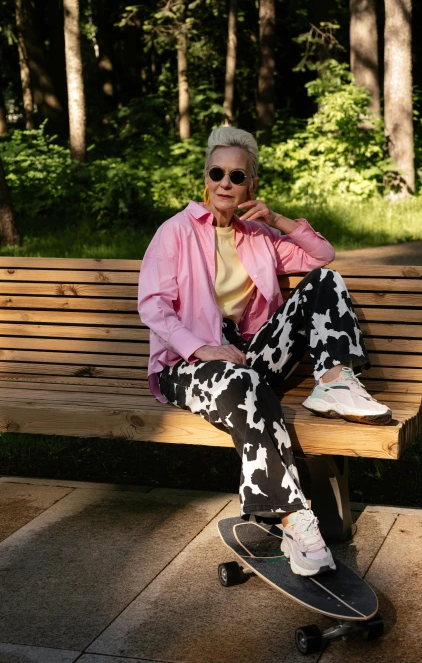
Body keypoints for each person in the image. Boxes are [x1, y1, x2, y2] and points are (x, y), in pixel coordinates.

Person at [138, 126, 391, 577]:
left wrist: (277, 220)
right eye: (217, 173)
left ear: (251, 185)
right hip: (187, 364)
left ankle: (335, 382)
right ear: (205, 177)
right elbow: (154, 308)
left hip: (249, 354)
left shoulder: (258, 234)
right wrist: (203, 348)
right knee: (244, 382)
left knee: (326, 283)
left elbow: (322, 256)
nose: (225, 184)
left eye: (237, 176)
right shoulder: (174, 233)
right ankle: (295, 518)